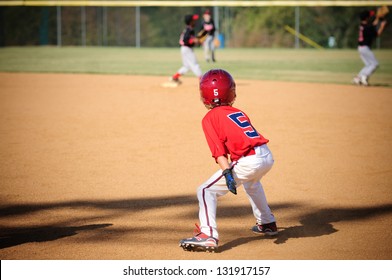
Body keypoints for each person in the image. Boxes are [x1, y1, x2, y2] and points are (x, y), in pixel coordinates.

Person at [179, 69, 277, 253]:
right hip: (265, 155)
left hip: (249, 161)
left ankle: (208, 235)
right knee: (252, 184)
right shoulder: (237, 112)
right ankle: (267, 222)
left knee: (205, 190)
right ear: (232, 92)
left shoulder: (209, 118)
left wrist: (227, 173)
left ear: (204, 95)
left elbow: (219, 153)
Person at [352, 10, 387, 86]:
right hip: (365, 48)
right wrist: (382, 26)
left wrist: (377, 18)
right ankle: (364, 76)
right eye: (369, 16)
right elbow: (377, 34)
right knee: (375, 64)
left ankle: (358, 78)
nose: (370, 17)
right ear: (367, 18)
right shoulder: (368, 27)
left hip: (360, 47)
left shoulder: (362, 25)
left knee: (368, 64)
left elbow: (373, 25)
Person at [170, 14, 203, 86]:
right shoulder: (189, 30)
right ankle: (202, 81)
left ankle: (175, 77)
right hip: (187, 49)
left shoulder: (188, 29)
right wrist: (194, 40)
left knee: (187, 66)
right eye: (193, 20)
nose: (195, 21)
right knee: (195, 65)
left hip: (184, 49)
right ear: (190, 22)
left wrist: (196, 40)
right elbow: (186, 40)